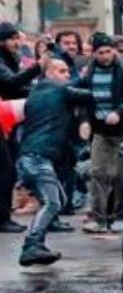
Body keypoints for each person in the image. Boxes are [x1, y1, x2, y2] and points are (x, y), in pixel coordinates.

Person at [16, 58, 94, 266]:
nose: (67, 76)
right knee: (53, 202)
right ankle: (31, 246)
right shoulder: (57, 89)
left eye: (68, 71)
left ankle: (37, 244)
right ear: (49, 74)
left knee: (56, 198)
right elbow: (88, 95)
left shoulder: (38, 91)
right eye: (62, 71)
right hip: (37, 157)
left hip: (34, 156)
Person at [77, 33, 123, 233]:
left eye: (108, 51)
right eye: (100, 52)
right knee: (97, 172)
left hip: (122, 129)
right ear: (94, 53)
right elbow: (83, 97)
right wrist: (84, 121)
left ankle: (120, 215)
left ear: (113, 50)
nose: (105, 56)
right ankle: (98, 217)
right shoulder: (90, 71)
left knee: (120, 176)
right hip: (100, 130)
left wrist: (120, 111)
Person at [0, 22, 41, 234]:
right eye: (12, 38)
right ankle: (2, 218)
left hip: (6, 120)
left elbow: (17, 88)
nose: (17, 43)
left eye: (18, 38)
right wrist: (38, 67)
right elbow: (11, 83)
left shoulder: (11, 59)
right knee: (5, 170)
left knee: (7, 169)